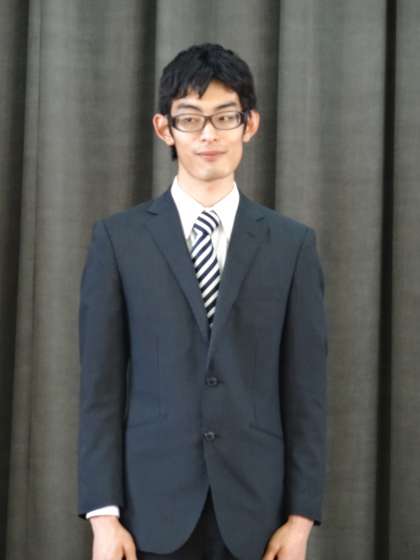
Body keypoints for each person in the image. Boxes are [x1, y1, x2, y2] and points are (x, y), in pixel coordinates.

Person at [78, 43, 328, 560]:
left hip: (259, 516)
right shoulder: (119, 241)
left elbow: (306, 394)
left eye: (225, 117)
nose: (209, 134)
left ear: (250, 124)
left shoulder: (292, 245)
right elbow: (100, 390)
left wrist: (300, 520)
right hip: (148, 514)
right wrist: (104, 518)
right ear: (164, 128)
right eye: (190, 119)